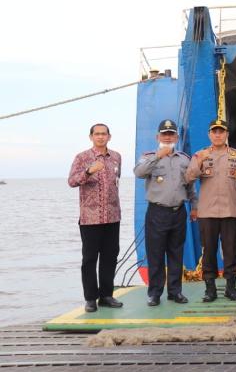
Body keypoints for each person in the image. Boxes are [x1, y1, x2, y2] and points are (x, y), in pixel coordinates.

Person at [185, 119, 236, 303]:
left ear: (227, 135)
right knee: (208, 251)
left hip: (231, 211)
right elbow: (189, 177)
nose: (217, 135)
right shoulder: (200, 154)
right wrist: (199, 161)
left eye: (221, 131)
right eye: (214, 132)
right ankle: (210, 290)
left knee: (231, 250)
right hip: (207, 212)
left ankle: (231, 288)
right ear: (209, 135)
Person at [133, 119, 197, 306]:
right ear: (158, 137)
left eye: (171, 134)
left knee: (176, 253)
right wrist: (158, 156)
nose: (168, 137)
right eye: (164, 134)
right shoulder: (148, 156)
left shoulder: (184, 158)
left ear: (176, 137)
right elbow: (139, 172)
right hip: (157, 212)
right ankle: (154, 293)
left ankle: (175, 292)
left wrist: (194, 206)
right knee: (156, 254)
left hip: (178, 212)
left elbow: (190, 184)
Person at [68, 123, 124, 313]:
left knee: (110, 256)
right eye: (97, 134)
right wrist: (88, 171)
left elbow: (116, 183)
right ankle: (91, 298)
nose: (100, 137)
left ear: (109, 136)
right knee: (89, 259)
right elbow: (72, 181)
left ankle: (106, 295)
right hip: (90, 218)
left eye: (104, 134)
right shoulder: (82, 157)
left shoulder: (116, 157)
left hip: (112, 216)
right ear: (91, 136)